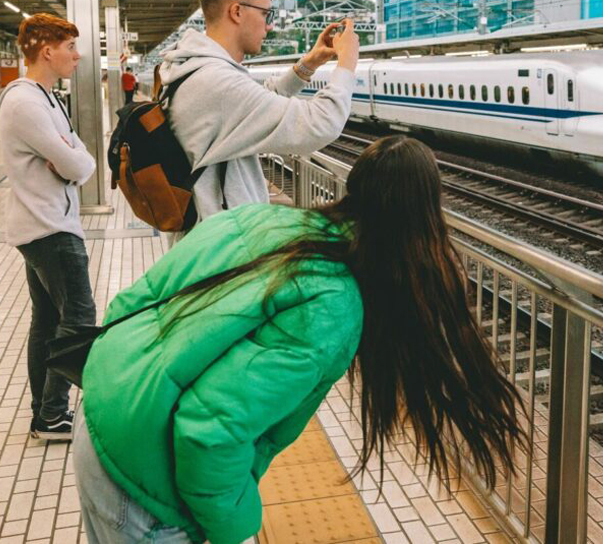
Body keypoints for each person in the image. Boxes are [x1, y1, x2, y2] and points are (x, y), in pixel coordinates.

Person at [72, 136, 526, 544]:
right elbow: (209, 433)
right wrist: (236, 529)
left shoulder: (264, 219)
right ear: (422, 220)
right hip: (141, 474)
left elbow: (137, 299)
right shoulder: (332, 305)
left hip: (104, 407)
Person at [158, 0, 357, 238]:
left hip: (208, 241)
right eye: (266, 14)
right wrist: (347, 63)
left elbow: (255, 102)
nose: (270, 26)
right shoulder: (215, 82)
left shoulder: (193, 69)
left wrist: (308, 64)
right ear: (237, 11)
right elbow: (322, 123)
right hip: (224, 255)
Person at [0, 13, 98, 441]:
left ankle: (45, 414)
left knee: (47, 321)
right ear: (46, 50)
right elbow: (78, 162)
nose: (77, 55)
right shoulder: (25, 102)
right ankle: (53, 413)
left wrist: (73, 159)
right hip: (49, 228)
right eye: (70, 47)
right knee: (79, 317)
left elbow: (81, 161)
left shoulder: (46, 98)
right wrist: (73, 159)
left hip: (46, 224)